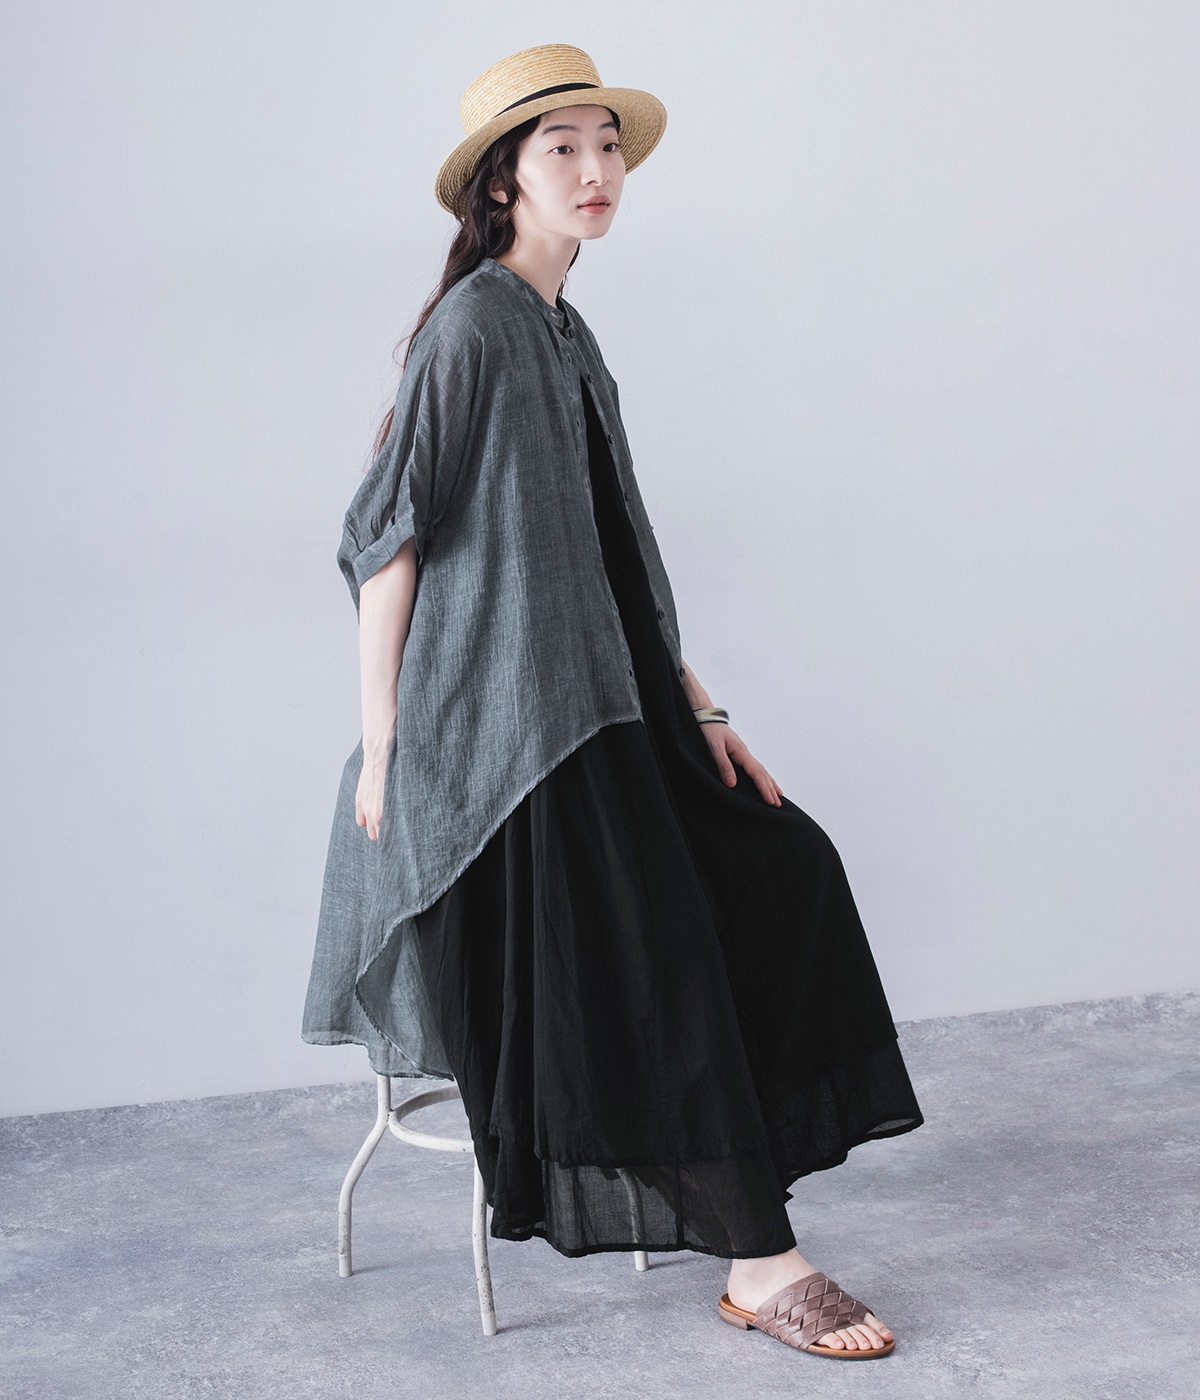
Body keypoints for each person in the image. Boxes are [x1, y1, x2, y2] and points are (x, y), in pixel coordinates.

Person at [302, 43, 925, 1360]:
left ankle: (742, 1185)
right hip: (513, 734)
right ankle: (761, 1261)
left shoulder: (565, 332)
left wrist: (701, 709)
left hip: (614, 700)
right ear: (503, 182)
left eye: (607, 146)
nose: (596, 172)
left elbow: (607, 556)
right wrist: (382, 742)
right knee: (664, 955)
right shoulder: (475, 327)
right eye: (562, 150)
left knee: (786, 871)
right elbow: (386, 538)